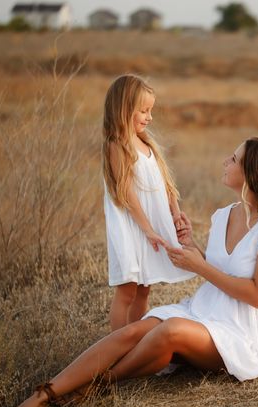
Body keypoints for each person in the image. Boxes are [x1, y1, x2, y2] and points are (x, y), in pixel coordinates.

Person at [0, 137, 258, 407]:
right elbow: (222, 269)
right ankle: (43, 395)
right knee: (135, 331)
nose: (226, 162)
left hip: (245, 332)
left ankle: (91, 387)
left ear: (252, 174)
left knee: (170, 330)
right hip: (207, 311)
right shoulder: (224, 214)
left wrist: (199, 265)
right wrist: (192, 248)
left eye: (234, 159)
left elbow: (256, 295)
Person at [102, 74, 194, 331]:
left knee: (144, 289)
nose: (149, 117)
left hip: (150, 228)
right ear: (124, 110)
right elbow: (127, 194)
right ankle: (117, 345)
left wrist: (175, 213)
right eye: (143, 111)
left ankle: (136, 339)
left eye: (150, 110)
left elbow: (165, 184)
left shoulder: (146, 143)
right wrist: (148, 230)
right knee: (127, 291)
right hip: (133, 227)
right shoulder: (117, 146)